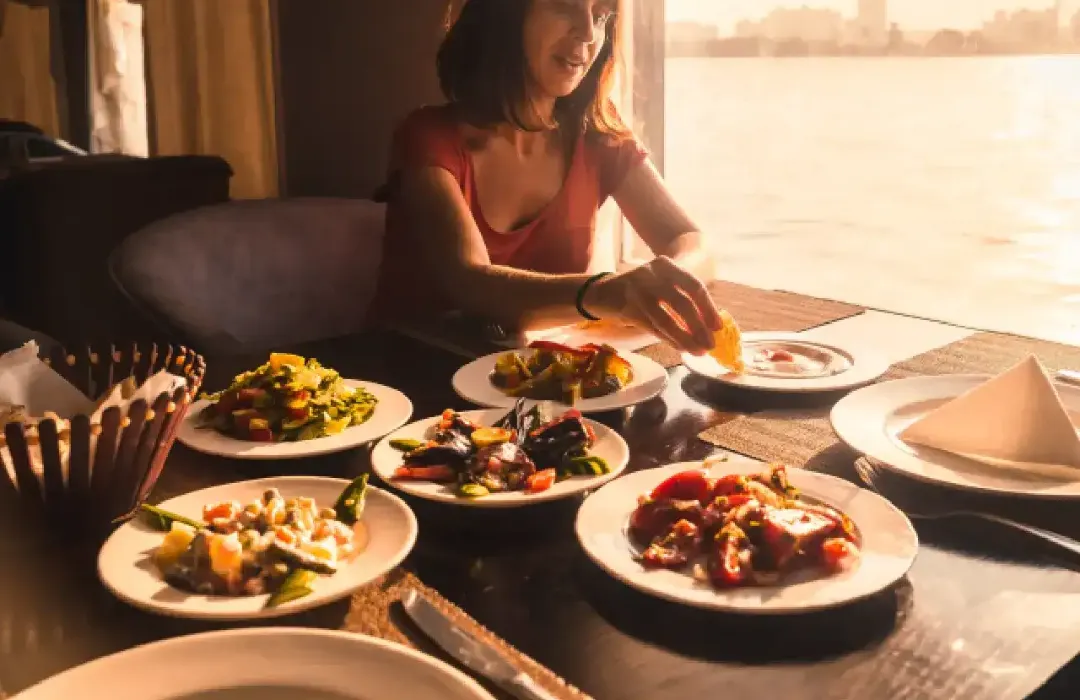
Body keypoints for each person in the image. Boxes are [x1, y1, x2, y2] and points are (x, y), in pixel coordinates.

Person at [371, 0, 722, 355]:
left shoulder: (597, 134)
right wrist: (607, 293)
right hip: (405, 381)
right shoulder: (426, 137)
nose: (588, 34)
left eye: (601, 17)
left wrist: (667, 281)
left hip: (529, 390)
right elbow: (467, 281)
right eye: (565, 7)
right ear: (506, 14)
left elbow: (692, 240)